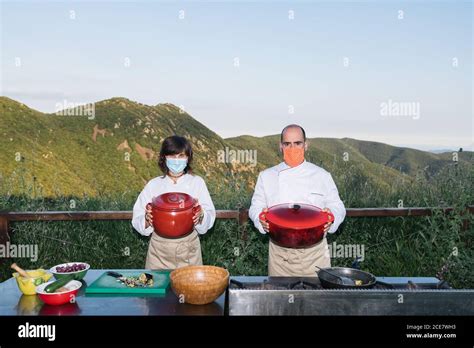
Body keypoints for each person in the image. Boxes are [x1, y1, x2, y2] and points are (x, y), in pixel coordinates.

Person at [249, 124, 346, 276]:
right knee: (279, 298)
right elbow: (256, 206)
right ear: (281, 146)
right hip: (280, 256)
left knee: (317, 299)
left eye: (297, 143)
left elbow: (338, 206)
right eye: (287, 144)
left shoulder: (322, 175)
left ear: (306, 145)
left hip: (316, 255)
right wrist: (260, 219)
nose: (292, 148)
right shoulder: (267, 176)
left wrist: (331, 218)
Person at [132, 135, 216, 269]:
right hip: (158, 251)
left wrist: (201, 215)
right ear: (164, 158)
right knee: (157, 288)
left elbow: (210, 216)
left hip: (189, 249)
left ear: (188, 158)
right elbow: (137, 217)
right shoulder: (153, 185)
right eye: (172, 156)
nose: (177, 161)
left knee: (190, 289)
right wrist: (147, 219)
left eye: (181, 156)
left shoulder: (197, 182)